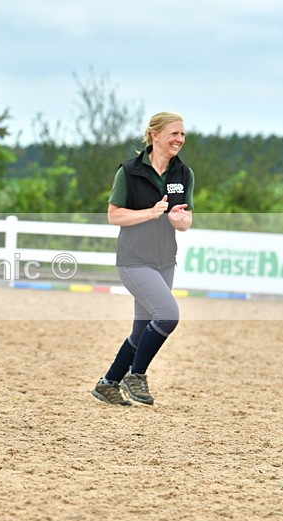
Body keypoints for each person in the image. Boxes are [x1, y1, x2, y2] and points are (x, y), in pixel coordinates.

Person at [92, 112, 194, 406]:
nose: (179, 139)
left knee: (142, 329)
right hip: (134, 260)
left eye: (182, 134)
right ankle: (135, 374)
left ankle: (108, 383)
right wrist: (150, 213)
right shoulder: (128, 171)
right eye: (174, 133)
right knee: (168, 315)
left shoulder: (184, 173)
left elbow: (187, 219)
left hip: (165, 261)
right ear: (155, 135)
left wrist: (179, 219)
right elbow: (114, 215)